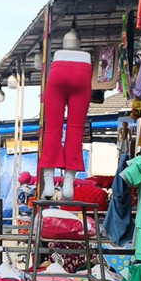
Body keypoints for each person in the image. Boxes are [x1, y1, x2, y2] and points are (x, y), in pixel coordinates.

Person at [40, 27, 92, 200]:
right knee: (75, 129)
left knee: (52, 129)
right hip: (83, 71)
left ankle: (49, 182)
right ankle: (68, 183)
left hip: (59, 70)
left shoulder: (58, 54)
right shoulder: (86, 56)